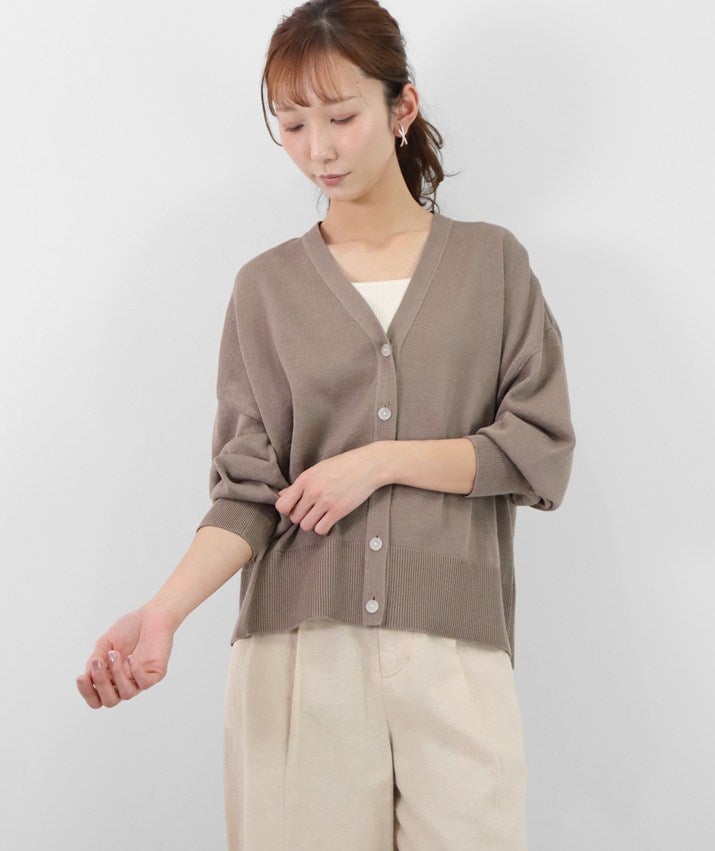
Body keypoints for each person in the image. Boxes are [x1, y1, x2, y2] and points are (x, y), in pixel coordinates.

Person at [77, 1, 576, 848]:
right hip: (299, 656)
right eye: (293, 123)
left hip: (454, 652)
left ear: (400, 106)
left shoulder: (491, 264)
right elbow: (245, 491)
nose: (319, 149)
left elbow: (538, 446)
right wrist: (162, 613)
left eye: (342, 117)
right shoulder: (265, 289)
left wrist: (379, 460)